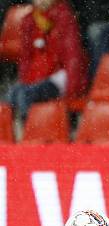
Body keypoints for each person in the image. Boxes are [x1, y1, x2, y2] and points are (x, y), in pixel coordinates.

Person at [6, 0, 87, 129]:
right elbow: (26, 59)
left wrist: (73, 90)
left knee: (25, 95)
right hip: (37, 76)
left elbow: (72, 57)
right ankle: (7, 137)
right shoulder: (29, 21)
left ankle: (30, 133)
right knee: (12, 93)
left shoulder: (64, 17)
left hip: (58, 76)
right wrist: (25, 81)